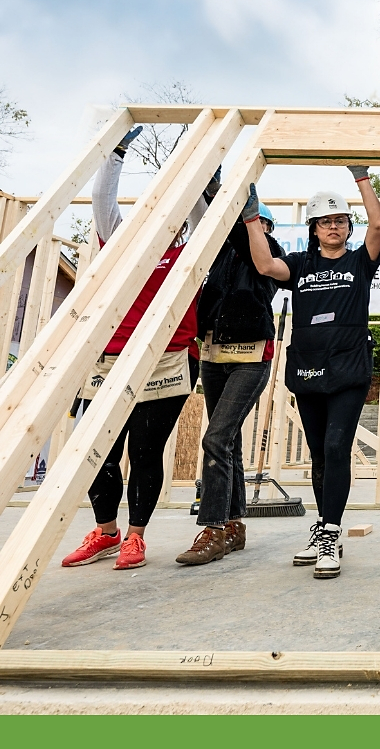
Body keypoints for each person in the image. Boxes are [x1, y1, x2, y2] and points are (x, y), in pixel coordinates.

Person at [61, 126, 207, 571]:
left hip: (166, 359)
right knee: (96, 451)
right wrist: (117, 152)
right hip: (109, 359)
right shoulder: (120, 246)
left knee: (145, 451)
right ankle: (106, 532)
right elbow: (103, 205)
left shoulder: (189, 253)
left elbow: (203, 216)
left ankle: (136, 538)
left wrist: (197, 163)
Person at [244, 166, 380, 579]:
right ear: (314, 228)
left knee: (338, 446)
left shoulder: (361, 262)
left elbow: (378, 223)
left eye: (340, 220)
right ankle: (327, 528)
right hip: (308, 368)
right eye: (326, 221)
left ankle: (329, 531)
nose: (334, 226)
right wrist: (253, 220)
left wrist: (361, 178)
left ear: (347, 225)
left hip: (348, 368)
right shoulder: (302, 265)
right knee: (320, 453)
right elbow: (267, 266)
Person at [176, 199, 283, 565]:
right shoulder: (219, 256)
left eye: (258, 224)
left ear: (265, 226)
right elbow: (205, 224)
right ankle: (236, 524)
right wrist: (209, 190)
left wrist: (239, 211)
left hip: (251, 359)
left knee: (215, 438)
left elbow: (243, 239)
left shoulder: (271, 255)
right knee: (229, 441)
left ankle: (213, 528)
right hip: (214, 356)